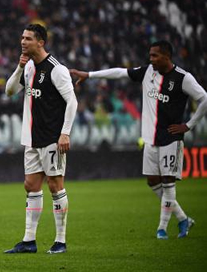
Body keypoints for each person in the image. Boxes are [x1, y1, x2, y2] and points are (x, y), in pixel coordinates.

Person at [70, 40, 207, 239]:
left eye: (154, 56)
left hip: (171, 138)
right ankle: (183, 218)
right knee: (153, 182)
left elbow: (204, 98)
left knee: (168, 182)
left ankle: (162, 228)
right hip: (150, 139)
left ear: (166, 57)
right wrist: (89, 75)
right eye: (150, 55)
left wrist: (189, 125)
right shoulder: (147, 71)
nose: (150, 59)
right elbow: (119, 72)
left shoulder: (183, 78)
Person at [4, 24, 78, 255]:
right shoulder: (27, 68)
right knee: (31, 185)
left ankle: (60, 241)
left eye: (28, 39)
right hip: (32, 138)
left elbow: (72, 102)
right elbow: (9, 91)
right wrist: (18, 68)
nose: (23, 42)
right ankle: (29, 241)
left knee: (55, 186)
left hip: (52, 139)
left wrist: (65, 133)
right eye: (22, 37)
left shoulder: (57, 69)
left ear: (41, 42)